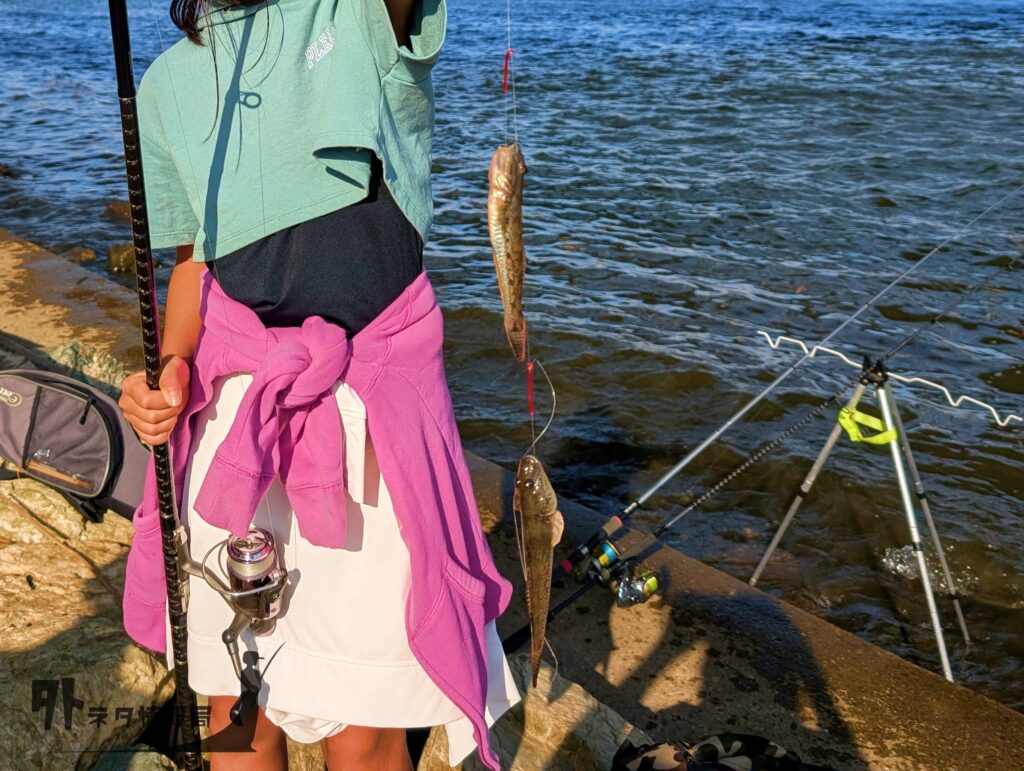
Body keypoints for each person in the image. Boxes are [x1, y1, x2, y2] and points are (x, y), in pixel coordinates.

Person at [116, 2, 520, 769]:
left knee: (363, 724)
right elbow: (194, 262)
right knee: (237, 705)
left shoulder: (362, 16)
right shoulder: (166, 84)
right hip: (238, 409)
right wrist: (169, 368)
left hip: (365, 414)